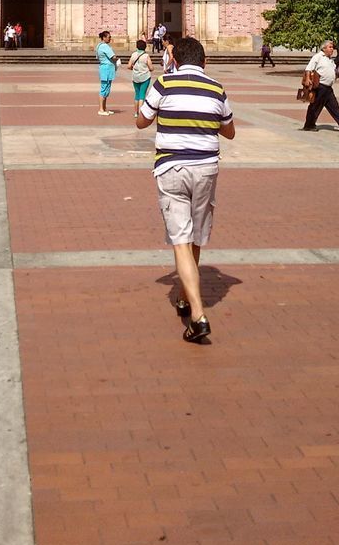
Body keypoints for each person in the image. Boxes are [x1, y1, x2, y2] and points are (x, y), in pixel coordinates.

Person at [137, 36, 235, 343]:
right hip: (206, 169)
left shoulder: (164, 84)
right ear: (205, 62)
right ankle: (183, 295)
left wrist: (144, 111)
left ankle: (197, 314)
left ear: (175, 61)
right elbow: (229, 131)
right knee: (195, 237)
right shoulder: (216, 88)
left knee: (180, 240)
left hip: (171, 168)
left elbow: (142, 122)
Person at [301, 40, 339, 132]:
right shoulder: (318, 57)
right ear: (324, 48)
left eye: (332, 47)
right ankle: (309, 125)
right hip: (320, 86)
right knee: (315, 106)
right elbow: (308, 68)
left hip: (328, 88)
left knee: (334, 106)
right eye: (330, 47)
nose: (332, 49)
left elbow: (333, 72)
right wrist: (307, 79)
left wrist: (338, 71)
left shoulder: (330, 60)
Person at [127, 38, 154, 117]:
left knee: (137, 94)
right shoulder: (146, 56)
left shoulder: (133, 55)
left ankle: (136, 112)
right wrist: (150, 69)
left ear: (137, 46)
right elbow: (151, 67)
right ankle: (141, 112)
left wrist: (133, 68)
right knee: (142, 94)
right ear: (145, 47)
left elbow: (128, 66)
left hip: (135, 77)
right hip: (145, 77)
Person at [96, 30, 118, 115]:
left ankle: (104, 108)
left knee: (106, 88)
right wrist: (117, 60)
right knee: (104, 88)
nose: (110, 39)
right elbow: (113, 56)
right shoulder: (105, 46)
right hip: (106, 69)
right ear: (104, 37)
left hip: (105, 68)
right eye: (109, 37)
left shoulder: (99, 46)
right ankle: (101, 109)